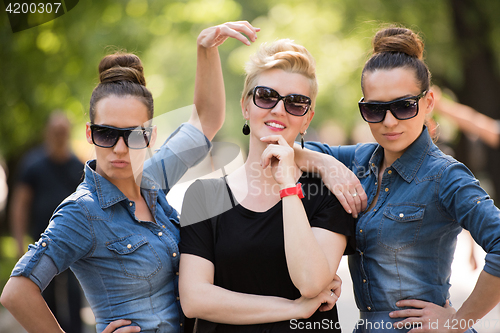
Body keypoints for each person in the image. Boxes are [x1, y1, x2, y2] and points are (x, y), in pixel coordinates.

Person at [0, 21, 259, 333]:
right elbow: (17, 292)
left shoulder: (153, 180)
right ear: (89, 133)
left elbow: (206, 119)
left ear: (150, 136)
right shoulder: (82, 212)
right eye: (106, 133)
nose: (120, 149)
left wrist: (206, 50)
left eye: (134, 135)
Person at [293, 26, 500, 332]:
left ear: (428, 103)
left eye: (404, 106)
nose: (389, 121)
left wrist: (458, 322)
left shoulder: (445, 175)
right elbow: (278, 149)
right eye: (374, 109)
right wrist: (325, 164)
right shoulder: (356, 160)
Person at [178, 38, 355, 333]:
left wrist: (288, 187)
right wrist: (293, 309)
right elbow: (195, 299)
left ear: (307, 118)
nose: (278, 109)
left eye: (296, 102)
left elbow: (311, 283)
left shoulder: (327, 194)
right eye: (265, 96)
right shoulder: (204, 196)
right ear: (246, 106)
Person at [9, 111, 85, 333]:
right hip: (42, 242)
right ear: (47, 133)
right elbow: (19, 205)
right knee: (45, 293)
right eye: (56, 131)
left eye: (63, 131)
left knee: (73, 293)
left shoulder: (78, 166)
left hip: (73, 244)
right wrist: (18, 243)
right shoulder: (33, 165)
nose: (59, 136)